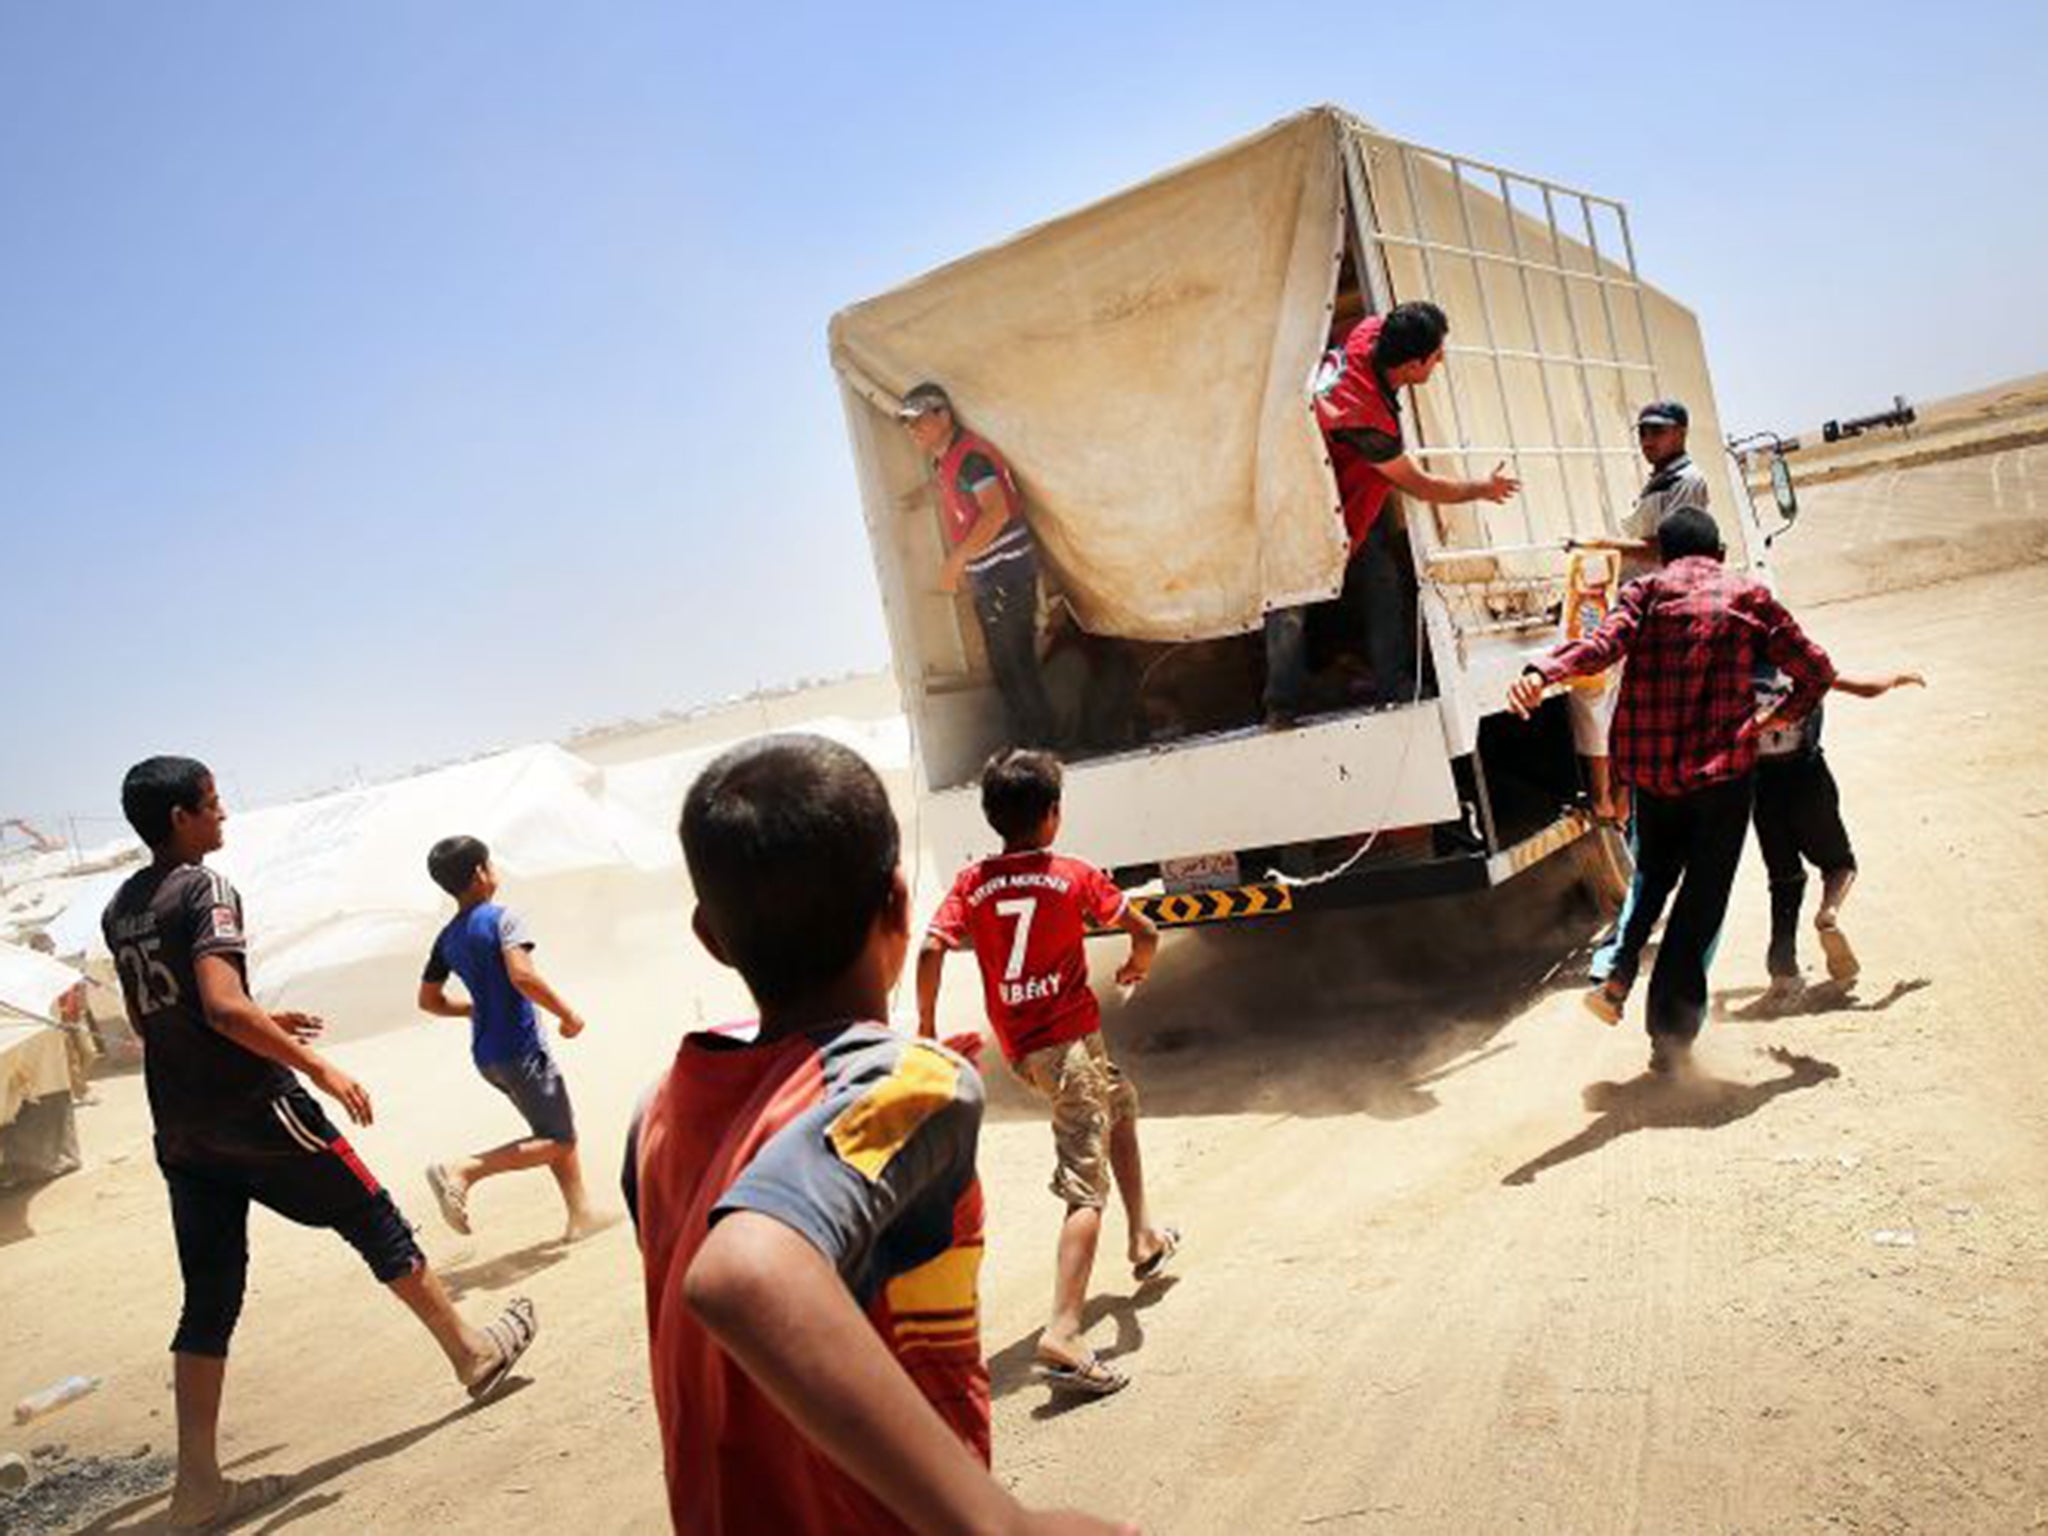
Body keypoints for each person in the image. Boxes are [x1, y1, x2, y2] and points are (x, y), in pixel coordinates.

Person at [623, 734, 1134, 1535]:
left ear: (711, 937)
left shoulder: (658, 1108)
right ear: (897, 901)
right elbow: (743, 1275)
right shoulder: (909, 1085)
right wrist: (1004, 1526)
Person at [102, 757, 536, 1533]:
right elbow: (223, 1008)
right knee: (373, 1214)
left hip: (181, 1125)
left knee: (209, 1295)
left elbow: (157, 1021)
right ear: (179, 818)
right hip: (253, 1108)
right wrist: (318, 1067)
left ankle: (197, 1485)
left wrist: (264, 1019)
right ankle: (473, 1353)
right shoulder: (205, 888)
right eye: (212, 802)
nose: (224, 813)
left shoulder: (121, 905)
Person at [1508, 510, 1835, 1075]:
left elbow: (1600, 646)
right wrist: (1777, 717)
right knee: (1699, 907)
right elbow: (1818, 670)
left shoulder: (1645, 592)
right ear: (1720, 551)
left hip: (1654, 777)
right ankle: (1670, 1039)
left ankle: (1616, 972)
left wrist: (1542, 672)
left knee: (1652, 879)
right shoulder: (1749, 596)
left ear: (1664, 554)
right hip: (1721, 780)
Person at [917, 749, 1177, 1396]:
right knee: (1085, 1186)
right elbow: (1143, 931)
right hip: (1066, 1050)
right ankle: (1063, 1330)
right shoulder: (1072, 874)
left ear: (992, 818)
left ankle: (1144, 1235)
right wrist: (1138, 966)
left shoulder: (972, 881)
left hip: (1029, 1052)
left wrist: (924, 1026)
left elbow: (930, 947)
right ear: (1053, 816)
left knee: (1122, 1099)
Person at [1263, 300, 1520, 728]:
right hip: (1315, 509)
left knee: (1376, 577)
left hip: (1337, 496)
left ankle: (1385, 682)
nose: (1440, 362)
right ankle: (1283, 705)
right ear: (1412, 363)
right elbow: (1419, 484)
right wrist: (1482, 489)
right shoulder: (1367, 418)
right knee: (1292, 601)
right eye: (1436, 356)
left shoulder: (1368, 333)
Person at [418, 835, 610, 1242]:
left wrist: (472, 1008)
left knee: (550, 1130)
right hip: (521, 1049)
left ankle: (581, 1213)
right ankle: (465, 1169)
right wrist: (568, 1015)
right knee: (559, 1140)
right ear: (480, 873)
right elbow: (522, 975)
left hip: (487, 1055)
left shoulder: (447, 937)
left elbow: (429, 1001)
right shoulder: (502, 918)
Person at [1569, 400, 1713, 827]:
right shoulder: (1662, 480)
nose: (1648, 440)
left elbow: (1664, 547)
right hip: (1630, 599)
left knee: (1598, 691)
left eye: (1658, 431)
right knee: (1610, 696)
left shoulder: (1688, 481)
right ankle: (1614, 798)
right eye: (1643, 432)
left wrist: (1599, 542)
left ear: (1681, 433)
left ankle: (1610, 799)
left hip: (1652, 603)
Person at [899, 381, 1057, 749]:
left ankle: (1041, 749)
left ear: (943, 415)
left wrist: (955, 562)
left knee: (1015, 668)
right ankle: (1036, 747)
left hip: (1006, 575)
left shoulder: (970, 457)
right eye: (907, 424)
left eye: (918, 420)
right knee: (1009, 669)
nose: (912, 430)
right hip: (995, 579)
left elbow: (997, 510)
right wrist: (919, 498)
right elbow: (958, 490)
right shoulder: (949, 459)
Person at [1752, 667, 1925, 997]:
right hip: (1808, 778)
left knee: (1783, 879)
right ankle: (1828, 913)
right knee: (1839, 864)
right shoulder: (1801, 664)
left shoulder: (1732, 673)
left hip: (1760, 787)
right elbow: (1867, 687)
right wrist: (1896, 677)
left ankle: (1783, 971)